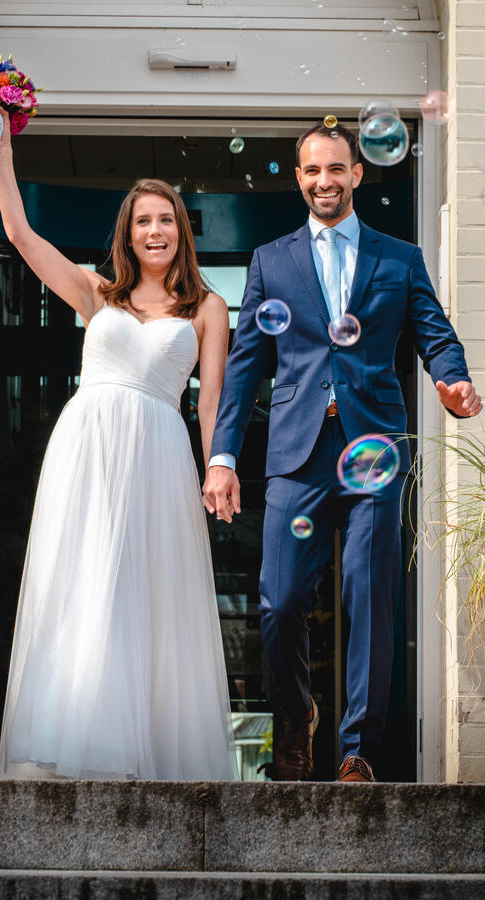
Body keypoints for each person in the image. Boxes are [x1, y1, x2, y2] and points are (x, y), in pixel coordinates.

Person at [203, 120, 482, 783]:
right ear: (297, 179)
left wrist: (454, 378)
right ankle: (296, 726)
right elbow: (244, 369)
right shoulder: (271, 260)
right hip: (295, 455)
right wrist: (221, 456)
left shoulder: (399, 258)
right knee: (277, 602)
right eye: (310, 171)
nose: (323, 181)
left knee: (367, 593)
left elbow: (433, 334)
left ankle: (358, 748)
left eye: (335, 169)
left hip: (372, 449)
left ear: (357, 174)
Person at [0, 108, 238, 781]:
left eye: (165, 220)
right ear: (127, 234)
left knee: (143, 592)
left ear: (181, 232)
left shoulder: (206, 307)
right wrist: (1, 152)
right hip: (87, 448)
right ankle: (76, 738)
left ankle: (139, 748)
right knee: (84, 580)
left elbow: (210, 399)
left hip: (158, 449)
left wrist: (218, 465)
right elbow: (19, 234)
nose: (154, 230)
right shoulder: (98, 294)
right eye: (142, 221)